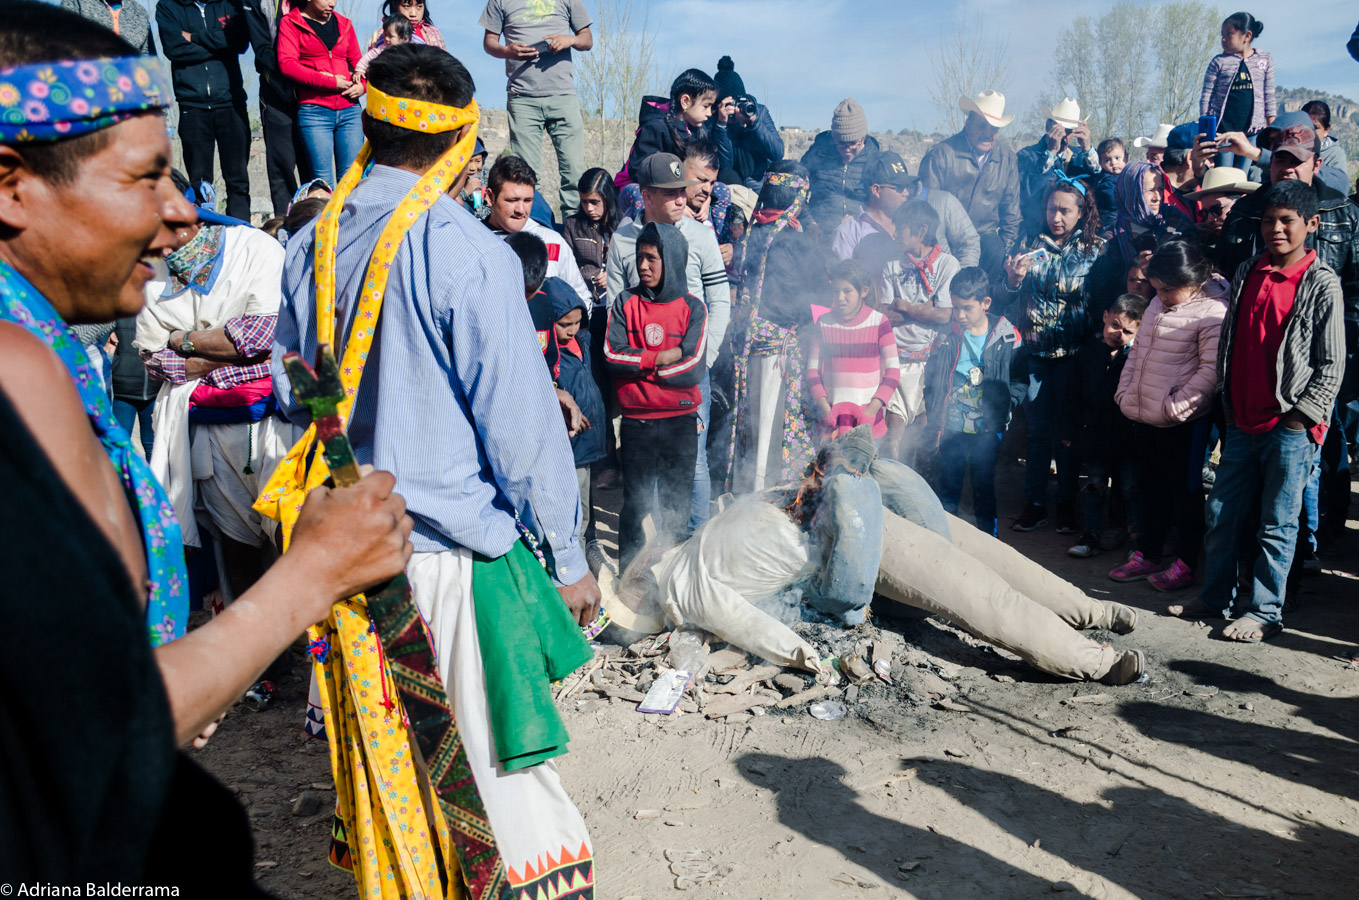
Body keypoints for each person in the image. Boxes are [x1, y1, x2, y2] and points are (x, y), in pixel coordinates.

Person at [0, 6, 413, 889]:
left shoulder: (54, 344)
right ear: (10, 185)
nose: (182, 213)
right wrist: (317, 572)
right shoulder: (12, 371)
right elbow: (95, 730)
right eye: (144, 180)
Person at [266, 43, 599, 897]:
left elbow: (287, 387)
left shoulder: (308, 243)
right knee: (498, 782)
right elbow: (520, 427)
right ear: (459, 146)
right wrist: (566, 557)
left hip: (341, 555)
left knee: (395, 774)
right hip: (446, 561)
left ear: (368, 125)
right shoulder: (464, 248)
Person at [1172, 180, 1345, 641]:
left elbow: (1332, 364)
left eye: (1287, 221)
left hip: (1289, 425)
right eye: (1269, 221)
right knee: (1222, 513)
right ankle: (1215, 597)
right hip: (1242, 419)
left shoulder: (1322, 284)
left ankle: (1265, 612)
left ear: (1311, 225)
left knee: (1277, 522)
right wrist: (1228, 403)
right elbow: (1231, 341)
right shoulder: (1249, 269)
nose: (1277, 229)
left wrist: (1300, 417)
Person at [136, 176, 288, 597]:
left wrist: (181, 339)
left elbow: (260, 334)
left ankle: (302, 648)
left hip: (274, 423)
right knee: (235, 545)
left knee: (290, 540)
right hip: (204, 431)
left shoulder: (253, 249)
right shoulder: (151, 275)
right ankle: (263, 658)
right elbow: (154, 360)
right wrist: (222, 350)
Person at [606, 152, 731, 528]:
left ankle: (691, 542)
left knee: (691, 461)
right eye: (670, 193)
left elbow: (719, 299)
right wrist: (641, 366)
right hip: (639, 378)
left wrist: (702, 361)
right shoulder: (623, 241)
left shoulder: (701, 235)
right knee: (647, 464)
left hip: (691, 370)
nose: (681, 199)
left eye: (683, 191)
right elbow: (616, 306)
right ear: (645, 197)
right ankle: (655, 546)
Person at [1108, 241, 1226, 591]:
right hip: (1145, 414)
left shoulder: (1213, 312)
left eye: (1167, 289)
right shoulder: (1158, 303)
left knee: (1185, 492)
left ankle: (1187, 563)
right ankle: (1147, 553)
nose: (1159, 296)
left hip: (1183, 422)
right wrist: (1126, 394)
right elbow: (1137, 352)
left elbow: (1210, 371)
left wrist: (1174, 408)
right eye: (1156, 289)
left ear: (1189, 280)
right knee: (1151, 487)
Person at [1002, 177, 1103, 533]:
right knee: (1038, 434)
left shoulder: (1096, 251)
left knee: (1069, 434)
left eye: (1064, 210)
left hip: (1074, 359)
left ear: (1081, 212)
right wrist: (1013, 279)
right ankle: (1035, 504)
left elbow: (1101, 304)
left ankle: (1066, 505)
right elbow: (1007, 298)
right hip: (1035, 357)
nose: (1056, 217)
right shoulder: (1028, 247)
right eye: (1051, 208)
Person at [604, 221, 707, 570]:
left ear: (673, 260)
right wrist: (659, 357)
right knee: (636, 503)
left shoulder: (693, 308)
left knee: (677, 504)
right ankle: (630, 581)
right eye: (640, 257)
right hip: (638, 423)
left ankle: (673, 577)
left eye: (652, 258)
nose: (643, 266)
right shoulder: (625, 301)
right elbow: (612, 355)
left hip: (679, 422)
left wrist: (642, 369)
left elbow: (692, 366)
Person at [723, 161, 824, 492]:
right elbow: (818, 295)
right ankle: (765, 495)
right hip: (779, 351)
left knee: (754, 423)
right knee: (771, 424)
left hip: (749, 344)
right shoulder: (797, 241)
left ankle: (747, 487)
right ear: (798, 196)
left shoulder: (754, 232)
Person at [922, 266, 1024, 536]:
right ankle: (944, 543)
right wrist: (934, 413)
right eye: (955, 308)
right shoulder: (946, 336)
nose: (960, 315)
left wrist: (1007, 405)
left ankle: (989, 543)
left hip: (988, 430)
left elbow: (1020, 379)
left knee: (983, 487)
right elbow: (931, 380)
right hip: (952, 427)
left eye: (967, 308)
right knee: (948, 485)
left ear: (985, 303)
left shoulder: (1007, 336)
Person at [479, 0, 593, 219]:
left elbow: (587, 39)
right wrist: (506, 51)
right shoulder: (499, 1)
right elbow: (489, 42)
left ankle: (574, 230)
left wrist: (569, 40)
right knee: (525, 176)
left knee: (574, 172)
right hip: (522, 98)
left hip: (563, 96)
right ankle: (533, 229)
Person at [1061, 293, 1147, 559]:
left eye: (1128, 331)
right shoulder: (1087, 354)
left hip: (1128, 437)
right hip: (1094, 435)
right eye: (1115, 325)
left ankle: (1138, 541)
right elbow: (1070, 395)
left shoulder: (1139, 359)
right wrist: (1068, 429)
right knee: (1095, 485)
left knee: (1131, 488)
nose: (1118, 334)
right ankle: (1091, 535)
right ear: (1105, 317)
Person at [156, 0, 251, 221]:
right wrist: (221, 44)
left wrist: (194, 37)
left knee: (238, 181)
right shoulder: (168, 7)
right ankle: (205, 238)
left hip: (231, 103)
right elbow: (174, 49)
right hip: (192, 106)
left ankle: (242, 232)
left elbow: (239, 43)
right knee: (200, 185)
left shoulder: (229, 4)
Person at [879, 200, 958, 464]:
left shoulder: (947, 265)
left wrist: (905, 306)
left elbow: (946, 314)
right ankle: (890, 490)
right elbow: (885, 313)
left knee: (925, 439)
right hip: (896, 363)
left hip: (931, 364)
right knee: (893, 439)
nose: (894, 235)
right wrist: (926, 309)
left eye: (900, 229)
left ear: (921, 231)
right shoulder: (891, 265)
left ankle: (922, 494)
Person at [918, 90, 1021, 279]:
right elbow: (926, 210)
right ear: (968, 124)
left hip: (988, 241)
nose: (989, 134)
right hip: (946, 240)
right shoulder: (940, 155)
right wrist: (942, 254)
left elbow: (1012, 214)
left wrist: (1004, 252)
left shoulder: (1007, 158)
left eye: (994, 128)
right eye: (983, 126)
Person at [831, 152, 980, 279]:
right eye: (899, 188)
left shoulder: (924, 215)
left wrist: (956, 288)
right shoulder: (847, 233)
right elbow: (843, 284)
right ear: (876, 190)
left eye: (907, 187)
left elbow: (969, 244)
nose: (906, 193)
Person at [807, 259, 900, 443]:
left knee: (864, 471)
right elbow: (812, 371)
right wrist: (824, 406)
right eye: (836, 291)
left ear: (864, 291)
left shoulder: (879, 322)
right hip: (832, 424)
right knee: (831, 470)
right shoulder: (823, 323)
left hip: (869, 426)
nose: (840, 297)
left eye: (847, 291)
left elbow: (893, 372)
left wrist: (871, 410)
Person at [1088, 160, 1193, 318]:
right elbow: (1102, 290)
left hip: (1173, 318)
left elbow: (1191, 275)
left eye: (1160, 189)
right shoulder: (1112, 238)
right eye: (1150, 190)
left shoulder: (1178, 224)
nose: (1157, 197)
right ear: (1131, 191)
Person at [550, 277, 607, 570]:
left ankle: (580, 569)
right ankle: (571, 573)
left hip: (586, 444)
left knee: (584, 513)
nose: (571, 330)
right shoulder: (545, 351)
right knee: (570, 516)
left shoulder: (584, 340)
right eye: (564, 324)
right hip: (564, 447)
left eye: (576, 322)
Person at [278, 0, 363, 191]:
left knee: (351, 179)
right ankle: (323, 221)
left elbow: (360, 63)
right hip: (314, 112)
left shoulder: (345, 23)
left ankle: (350, 221)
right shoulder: (291, 23)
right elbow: (288, 65)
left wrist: (362, 86)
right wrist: (331, 82)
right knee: (322, 181)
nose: (332, 3)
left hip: (350, 111)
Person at [486, 154, 593, 304]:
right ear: (490, 197)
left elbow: (581, 299)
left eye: (528, 200)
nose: (521, 210)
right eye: (512, 200)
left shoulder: (552, 241)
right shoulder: (474, 242)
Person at [243, 0, 313, 219]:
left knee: (312, 163)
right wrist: (289, 66)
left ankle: (316, 219)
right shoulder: (254, 2)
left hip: (312, 88)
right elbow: (261, 47)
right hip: (275, 88)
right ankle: (285, 225)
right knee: (281, 164)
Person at [622, 68, 730, 185]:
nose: (709, 113)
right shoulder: (656, 128)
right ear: (685, 101)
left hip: (678, 187)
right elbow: (638, 170)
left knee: (720, 189)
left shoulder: (698, 130)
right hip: (643, 188)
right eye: (706, 106)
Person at [1200, 11, 1275, 170]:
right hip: (1223, 132)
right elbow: (1206, 96)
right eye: (1222, 35)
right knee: (1224, 174)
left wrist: (1273, 131)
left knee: (1242, 175)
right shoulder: (1219, 62)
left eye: (1229, 34)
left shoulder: (1264, 59)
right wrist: (1207, 129)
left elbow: (1269, 97)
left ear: (1247, 36)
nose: (1224, 39)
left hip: (1252, 133)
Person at [1017, 97, 1098, 235]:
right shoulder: (1027, 155)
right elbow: (1031, 192)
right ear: (1048, 126)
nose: (1063, 135)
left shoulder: (1079, 156)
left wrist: (1088, 149)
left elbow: (1099, 187)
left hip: (1075, 233)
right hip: (1036, 231)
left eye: (1069, 130)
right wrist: (1051, 152)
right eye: (1059, 129)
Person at [801, 97, 881, 230]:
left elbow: (883, 203)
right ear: (834, 138)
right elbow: (797, 192)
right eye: (841, 143)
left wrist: (859, 218)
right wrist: (810, 223)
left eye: (853, 143)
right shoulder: (818, 152)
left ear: (863, 138)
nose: (847, 149)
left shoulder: (875, 159)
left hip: (861, 234)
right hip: (820, 233)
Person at [711, 56, 784, 190]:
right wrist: (722, 125)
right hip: (732, 187)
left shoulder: (759, 112)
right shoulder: (714, 119)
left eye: (739, 102)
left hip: (760, 183)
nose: (736, 108)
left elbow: (778, 153)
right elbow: (726, 166)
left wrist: (754, 123)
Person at [1185, 166, 1257, 255]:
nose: (1209, 219)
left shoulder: (1261, 236)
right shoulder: (1203, 240)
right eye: (1205, 213)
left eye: (1216, 209)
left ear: (1242, 201)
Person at [60, 0, 155, 54]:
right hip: (89, 78)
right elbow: (63, 45)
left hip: (129, 81)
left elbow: (145, 54)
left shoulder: (139, 12)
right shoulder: (76, 3)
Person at [368, 0, 444, 50]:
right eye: (407, 6)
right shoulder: (380, 34)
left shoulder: (432, 34)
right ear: (395, 5)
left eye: (419, 6)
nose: (413, 14)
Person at [355, 14, 412, 79]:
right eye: (385, 35)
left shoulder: (409, 52)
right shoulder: (382, 50)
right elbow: (367, 57)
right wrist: (360, 70)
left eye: (391, 36)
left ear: (405, 39)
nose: (387, 39)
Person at [1301, 100, 1349, 173]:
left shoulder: (1335, 155)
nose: (1309, 132)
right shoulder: (1290, 148)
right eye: (1305, 126)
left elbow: (1338, 182)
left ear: (1326, 130)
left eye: (1315, 128)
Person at [1092, 137, 1126, 228]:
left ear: (1126, 158)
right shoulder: (1107, 181)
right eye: (1107, 160)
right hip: (1110, 221)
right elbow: (1113, 200)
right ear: (1101, 163)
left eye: (1117, 158)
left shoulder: (1122, 176)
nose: (1113, 163)